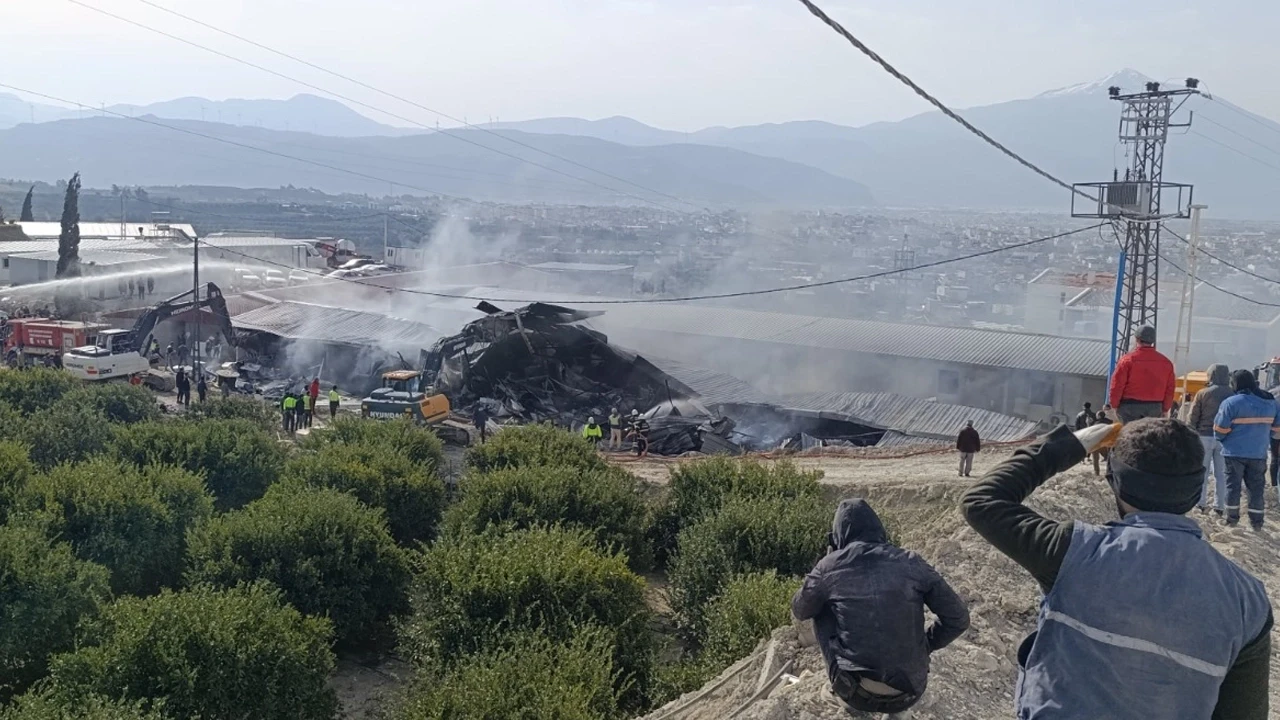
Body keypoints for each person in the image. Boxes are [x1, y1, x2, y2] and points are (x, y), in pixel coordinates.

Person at [962, 418, 1272, 720]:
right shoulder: (1249, 601)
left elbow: (981, 500)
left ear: (1114, 481)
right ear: (1194, 491)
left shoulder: (1073, 551)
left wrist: (1070, 444)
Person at [792, 499, 969, 717]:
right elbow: (958, 619)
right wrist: (926, 645)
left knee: (820, 610)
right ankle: (896, 712)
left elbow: (801, 609)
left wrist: (823, 569)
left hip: (857, 693)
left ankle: (843, 690)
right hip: (910, 690)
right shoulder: (912, 562)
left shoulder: (829, 567)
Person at [1214, 370, 1280, 530]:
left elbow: (1219, 430)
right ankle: (1256, 522)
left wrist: (1224, 439)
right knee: (1256, 489)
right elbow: (1276, 430)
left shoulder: (1231, 403)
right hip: (1259, 453)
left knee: (1233, 487)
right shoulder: (1270, 402)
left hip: (1234, 452)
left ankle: (1231, 519)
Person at [1107, 324, 1176, 422]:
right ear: (1153, 340)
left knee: (1128, 435)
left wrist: (1114, 405)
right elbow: (1170, 389)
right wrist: (1165, 409)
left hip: (1129, 407)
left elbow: (1117, 385)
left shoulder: (1127, 360)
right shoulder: (1166, 363)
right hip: (1155, 407)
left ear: (1137, 339)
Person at [1188, 364, 1232, 516]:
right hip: (1225, 438)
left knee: (1202, 472)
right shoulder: (1233, 394)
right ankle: (1219, 506)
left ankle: (1200, 503)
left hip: (1204, 436)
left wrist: (1191, 433)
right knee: (1222, 474)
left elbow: (1193, 417)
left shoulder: (1203, 393)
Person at [1089, 407, 1112, 476]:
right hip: (1106, 443)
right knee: (1109, 459)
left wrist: (1088, 423)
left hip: (1096, 443)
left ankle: (1097, 473)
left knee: (1095, 459)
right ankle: (1110, 472)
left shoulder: (1096, 423)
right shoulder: (1110, 422)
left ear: (1098, 416)